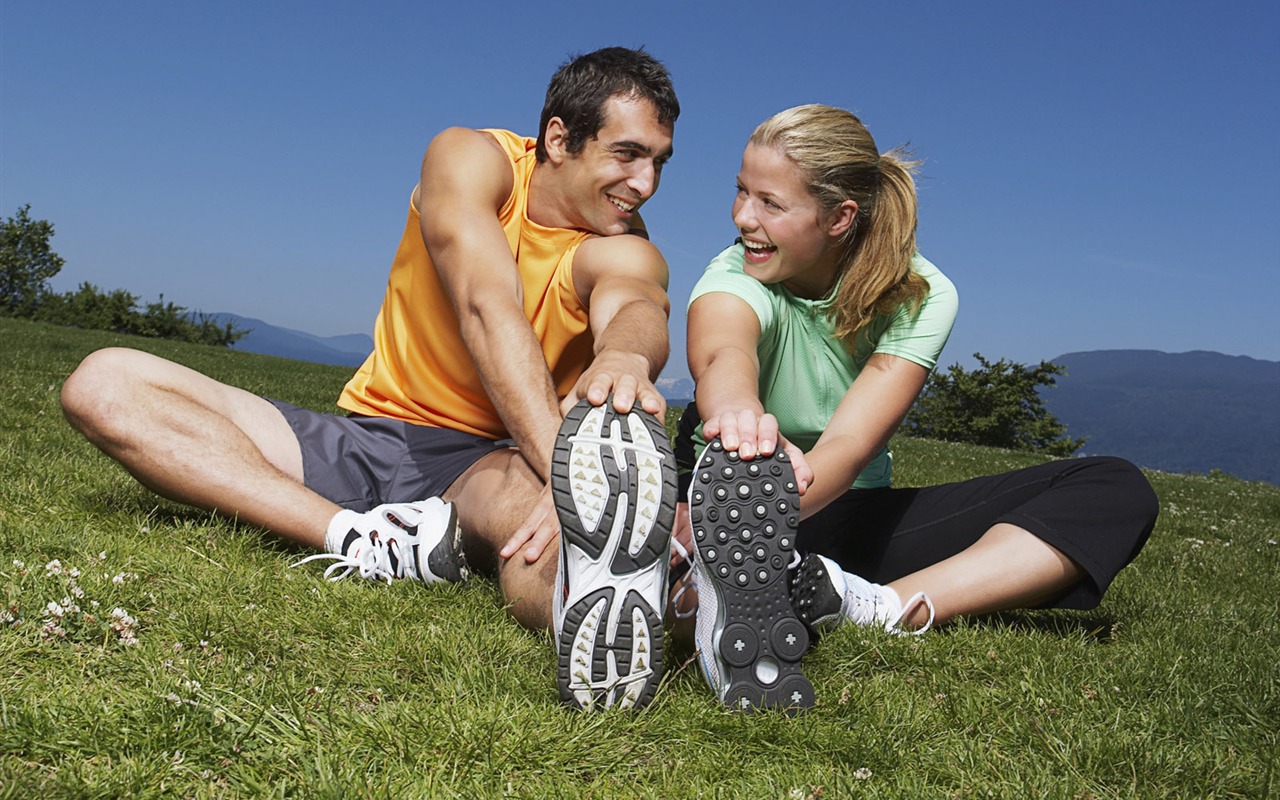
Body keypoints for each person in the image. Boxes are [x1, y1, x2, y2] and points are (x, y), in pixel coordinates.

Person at [59, 47, 681, 711]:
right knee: (104, 384)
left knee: (547, 541)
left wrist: (626, 357)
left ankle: (650, 621)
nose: (645, 183)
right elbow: (483, 302)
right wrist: (568, 476)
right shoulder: (470, 159)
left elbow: (635, 303)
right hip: (370, 436)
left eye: (659, 163)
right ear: (559, 138)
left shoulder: (624, 244)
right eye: (627, 154)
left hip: (491, 463)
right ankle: (362, 540)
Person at [674, 104, 1159, 712]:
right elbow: (723, 355)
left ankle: (874, 606)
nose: (742, 217)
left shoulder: (923, 295)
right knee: (717, 499)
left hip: (838, 507)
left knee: (1115, 487)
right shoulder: (736, 272)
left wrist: (776, 504)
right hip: (721, 499)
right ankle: (708, 568)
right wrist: (740, 427)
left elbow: (850, 445)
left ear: (839, 218)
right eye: (741, 192)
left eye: (770, 203)